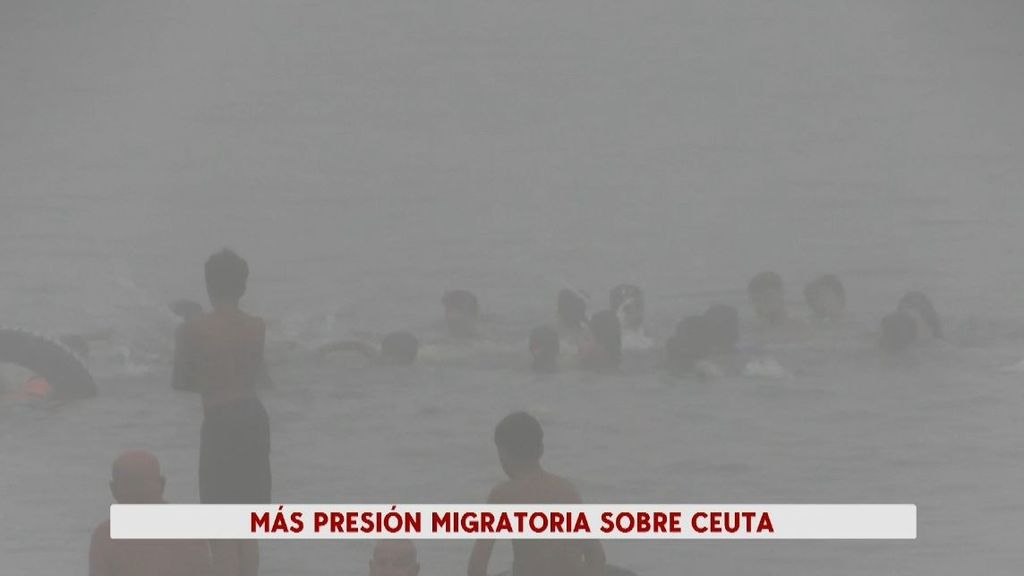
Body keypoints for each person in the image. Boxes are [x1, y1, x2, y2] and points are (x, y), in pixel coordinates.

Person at [173, 249, 269, 576]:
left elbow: (181, 381)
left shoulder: (193, 329)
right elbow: (260, 377)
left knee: (220, 525)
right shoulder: (257, 326)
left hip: (220, 421)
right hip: (254, 418)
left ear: (208, 285)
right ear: (242, 287)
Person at [468, 412, 605, 576]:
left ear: (504, 453)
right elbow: (596, 556)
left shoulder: (503, 495)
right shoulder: (566, 490)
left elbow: (476, 567)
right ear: (540, 449)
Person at [89, 450, 212, 576]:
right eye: (131, 487)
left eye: (142, 490)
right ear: (162, 484)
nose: (137, 494)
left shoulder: (104, 537)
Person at [316, 331, 420, 365]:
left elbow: (357, 344)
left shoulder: (378, 358)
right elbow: (357, 344)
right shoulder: (376, 357)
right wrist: (321, 351)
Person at [610, 284, 653, 351]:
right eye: (627, 309)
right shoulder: (612, 344)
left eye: (638, 306)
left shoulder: (649, 342)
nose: (635, 312)